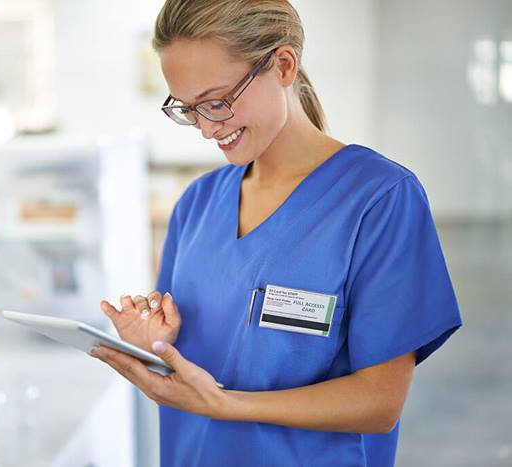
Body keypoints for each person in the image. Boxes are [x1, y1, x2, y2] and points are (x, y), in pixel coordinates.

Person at [89, 0, 463, 465]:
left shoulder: (379, 200)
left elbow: (379, 402)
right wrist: (152, 348)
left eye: (217, 102)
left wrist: (227, 405)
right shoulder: (198, 204)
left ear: (283, 66)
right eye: (188, 109)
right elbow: (201, 368)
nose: (207, 129)